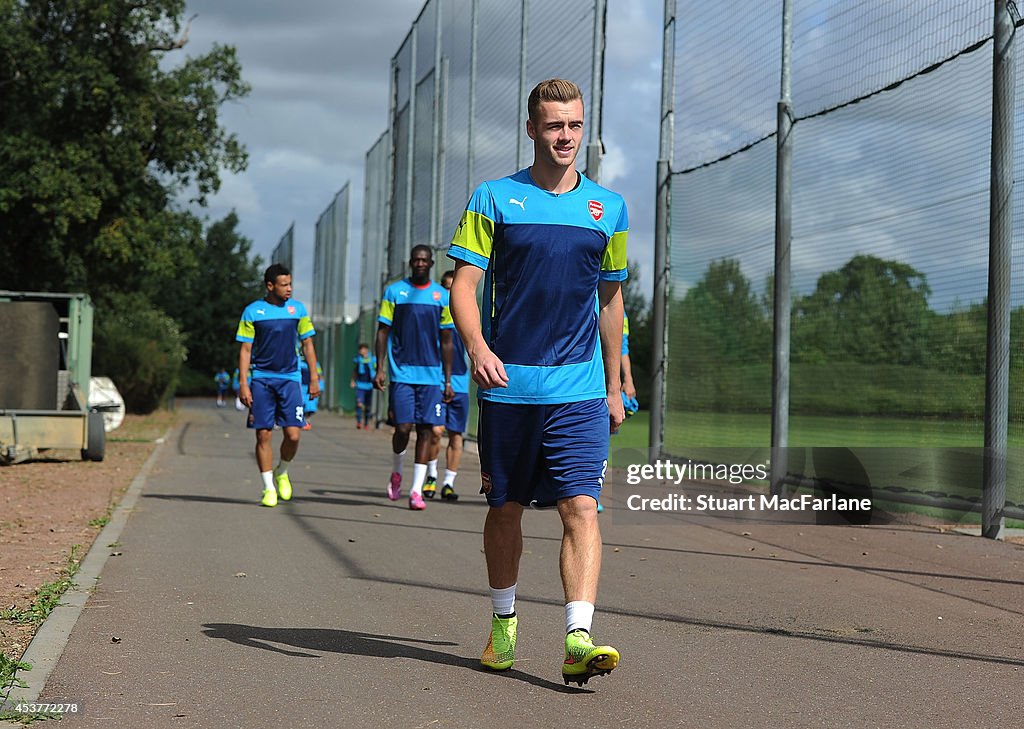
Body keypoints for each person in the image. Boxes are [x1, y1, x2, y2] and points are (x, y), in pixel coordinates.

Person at [447, 78, 627, 686]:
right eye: (554, 126)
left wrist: (614, 382)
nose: (565, 138)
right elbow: (464, 286)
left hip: (578, 389)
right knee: (506, 508)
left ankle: (579, 635)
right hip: (509, 387)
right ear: (531, 129)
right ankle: (504, 622)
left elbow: (610, 301)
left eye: (574, 126)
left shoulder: (609, 209)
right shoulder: (494, 198)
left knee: (581, 506)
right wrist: (477, 347)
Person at [374, 245, 454, 511]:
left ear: (431, 264)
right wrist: (380, 367)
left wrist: (448, 379)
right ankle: (397, 471)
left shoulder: (441, 296)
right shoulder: (395, 292)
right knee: (403, 428)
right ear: (410, 262)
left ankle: (416, 490)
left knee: (426, 430)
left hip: (431, 376)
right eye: (416, 259)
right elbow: (383, 331)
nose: (420, 263)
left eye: (424, 260)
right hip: (402, 372)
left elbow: (446, 341)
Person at [236, 263, 320, 508]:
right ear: (270, 286)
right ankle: (268, 487)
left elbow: (308, 345)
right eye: (284, 285)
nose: (289, 289)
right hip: (262, 379)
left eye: (290, 284)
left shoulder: (298, 310)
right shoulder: (253, 312)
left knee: (293, 435)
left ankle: (282, 470)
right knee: (263, 433)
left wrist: (313, 378)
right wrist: (244, 383)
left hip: (291, 380)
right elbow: (245, 349)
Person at [423, 270, 467, 501]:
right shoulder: (436, 317)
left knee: (456, 435)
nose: (450, 292)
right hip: (436, 380)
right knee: (435, 431)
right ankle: (431, 476)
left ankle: (448, 482)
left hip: (461, 382)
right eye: (446, 288)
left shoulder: (468, 315)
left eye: (454, 287)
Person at [351, 343, 376, 429]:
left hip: (369, 385)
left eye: (364, 349)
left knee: (368, 406)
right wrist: (353, 381)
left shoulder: (372, 360)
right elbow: (355, 371)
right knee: (359, 403)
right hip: (360, 385)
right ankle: (359, 421)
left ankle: (366, 422)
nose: (362, 351)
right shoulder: (358, 360)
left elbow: (376, 369)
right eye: (361, 349)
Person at [299, 353, 323, 430]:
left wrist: (320, 385)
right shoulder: (299, 363)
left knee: (310, 405)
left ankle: (307, 420)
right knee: (300, 403)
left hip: (310, 386)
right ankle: (301, 420)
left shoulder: (315, 364)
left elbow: (319, 375)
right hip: (301, 386)